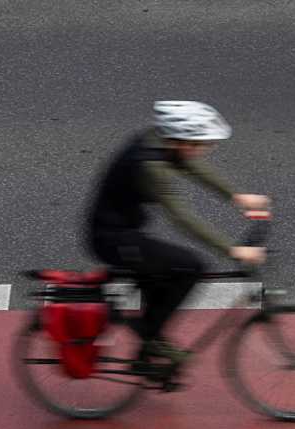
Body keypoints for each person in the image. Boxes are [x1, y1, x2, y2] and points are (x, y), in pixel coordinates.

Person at [86, 100, 269, 365]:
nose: (205, 150)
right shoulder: (151, 165)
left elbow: (192, 167)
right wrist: (233, 250)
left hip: (123, 230)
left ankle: (149, 344)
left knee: (164, 272)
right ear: (181, 140)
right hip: (112, 239)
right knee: (190, 266)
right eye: (201, 144)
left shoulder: (160, 140)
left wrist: (237, 197)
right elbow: (180, 216)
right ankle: (150, 337)